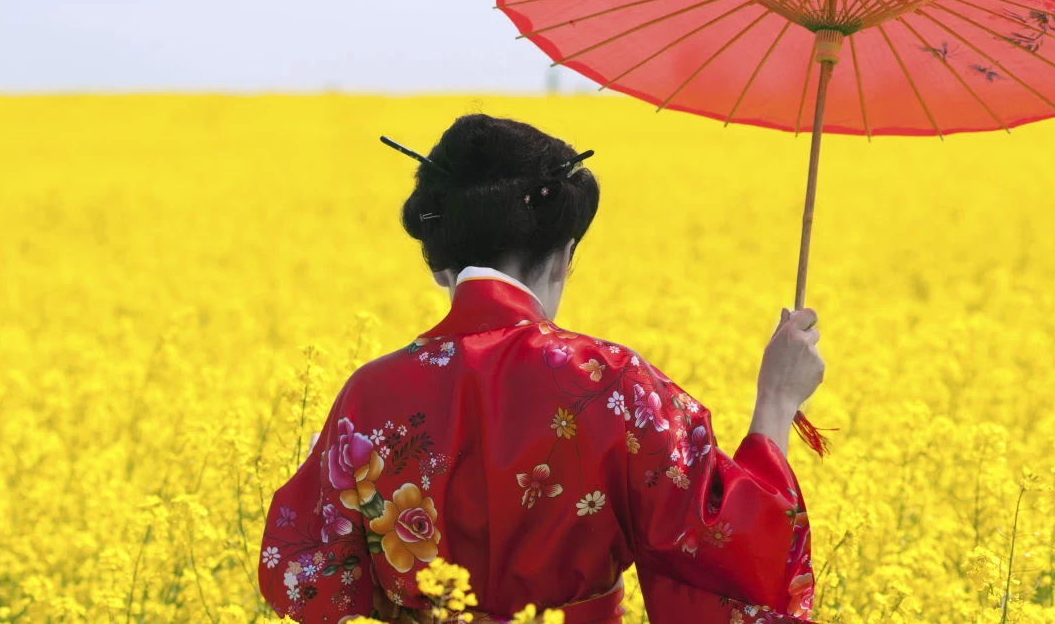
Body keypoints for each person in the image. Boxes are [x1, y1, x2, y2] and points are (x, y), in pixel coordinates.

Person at [257, 114, 825, 624]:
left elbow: (304, 581)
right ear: (564, 255)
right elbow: (729, 548)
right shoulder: (613, 383)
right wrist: (777, 399)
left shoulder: (368, 397)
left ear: (438, 266)